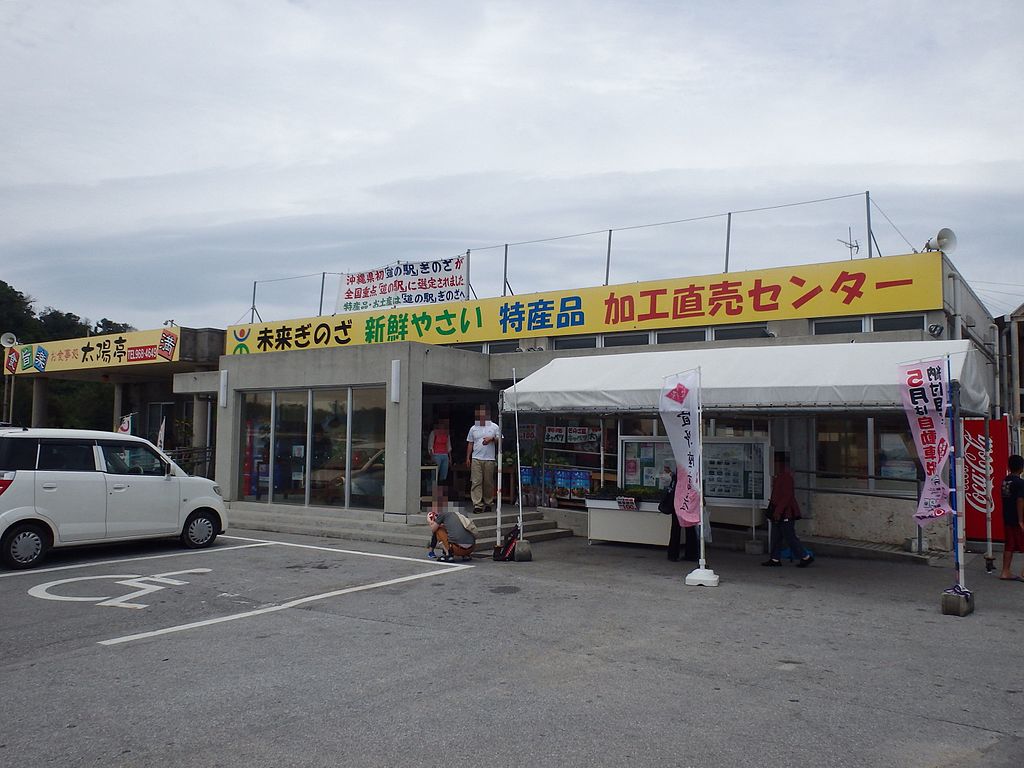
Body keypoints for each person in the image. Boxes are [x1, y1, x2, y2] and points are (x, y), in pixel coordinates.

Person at [763, 451, 814, 568]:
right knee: (777, 536)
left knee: (789, 536)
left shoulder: (785, 477)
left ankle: (805, 556)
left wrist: (777, 511)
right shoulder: (781, 475)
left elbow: (786, 496)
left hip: (785, 513)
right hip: (781, 512)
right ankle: (775, 558)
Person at [465, 404, 500, 514]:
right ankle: (477, 504)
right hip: (476, 458)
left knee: (488, 482)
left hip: (489, 458)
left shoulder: (494, 427)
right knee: (476, 481)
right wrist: (468, 457)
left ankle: (488, 502)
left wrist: (492, 439)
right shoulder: (473, 428)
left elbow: (501, 440)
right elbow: (470, 443)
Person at [428, 484, 476, 560]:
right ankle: (466, 555)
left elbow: (433, 529)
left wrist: (430, 520)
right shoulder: (462, 510)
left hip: (457, 549)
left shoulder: (444, 511)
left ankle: (448, 554)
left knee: (438, 530)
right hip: (471, 548)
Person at [998, 454, 1024, 581]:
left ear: (1008, 467)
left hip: (1007, 517)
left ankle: (1005, 571)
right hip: (1018, 519)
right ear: (1021, 468)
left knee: (1009, 545)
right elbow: (1020, 501)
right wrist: (1020, 520)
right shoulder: (1020, 483)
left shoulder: (1005, 481)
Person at [426, 417, 452, 485]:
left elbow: (448, 446)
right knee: (434, 474)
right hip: (436, 455)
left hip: (445, 455)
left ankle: (441, 490)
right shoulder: (434, 433)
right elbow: (430, 445)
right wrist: (432, 457)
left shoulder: (446, 434)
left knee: (444, 474)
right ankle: (433, 491)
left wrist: (450, 458)